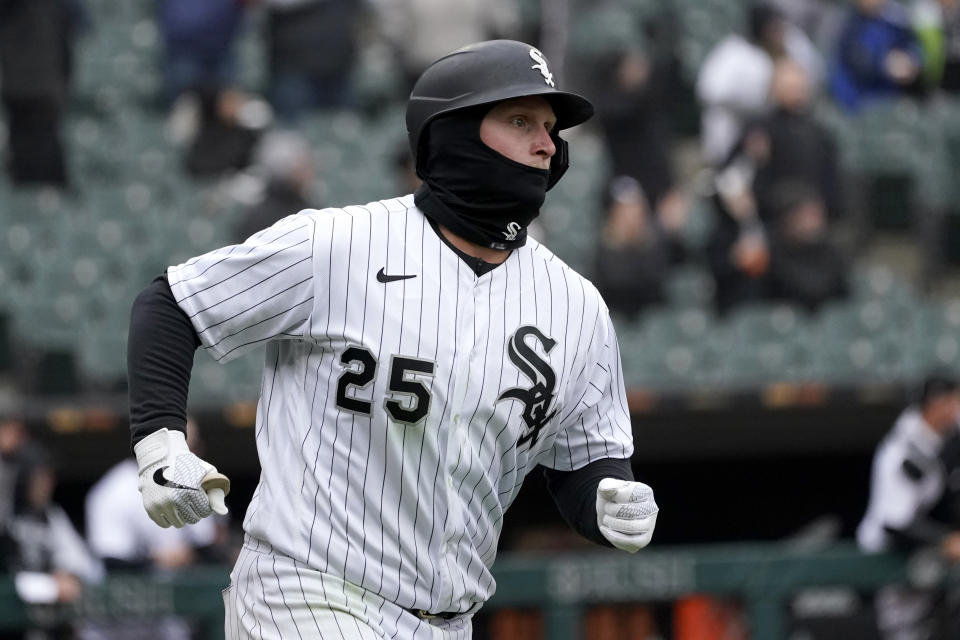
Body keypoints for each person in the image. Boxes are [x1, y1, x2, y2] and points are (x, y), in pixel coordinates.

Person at [126, 40, 659, 639]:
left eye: (550, 128)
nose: (546, 143)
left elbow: (582, 461)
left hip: (451, 620)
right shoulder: (339, 244)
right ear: (454, 132)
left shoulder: (575, 305)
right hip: (305, 592)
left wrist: (607, 497)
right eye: (520, 121)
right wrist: (159, 442)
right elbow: (173, 303)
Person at [82, 416, 226, 640]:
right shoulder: (115, 490)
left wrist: (192, 555)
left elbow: (207, 550)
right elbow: (111, 563)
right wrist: (158, 560)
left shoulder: (192, 485)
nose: (197, 452)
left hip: (169, 626)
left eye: (195, 446)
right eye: (189, 446)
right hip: (117, 629)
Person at [857, 375, 960, 639]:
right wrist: (946, 541)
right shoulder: (904, 448)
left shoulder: (935, 443)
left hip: (914, 561)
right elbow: (894, 522)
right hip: (885, 563)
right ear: (938, 403)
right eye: (955, 399)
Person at [828, 0, 924, 112]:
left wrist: (911, 60)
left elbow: (914, 45)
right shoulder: (845, 21)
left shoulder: (896, 17)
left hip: (890, 99)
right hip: (854, 102)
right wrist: (885, 64)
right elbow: (856, 58)